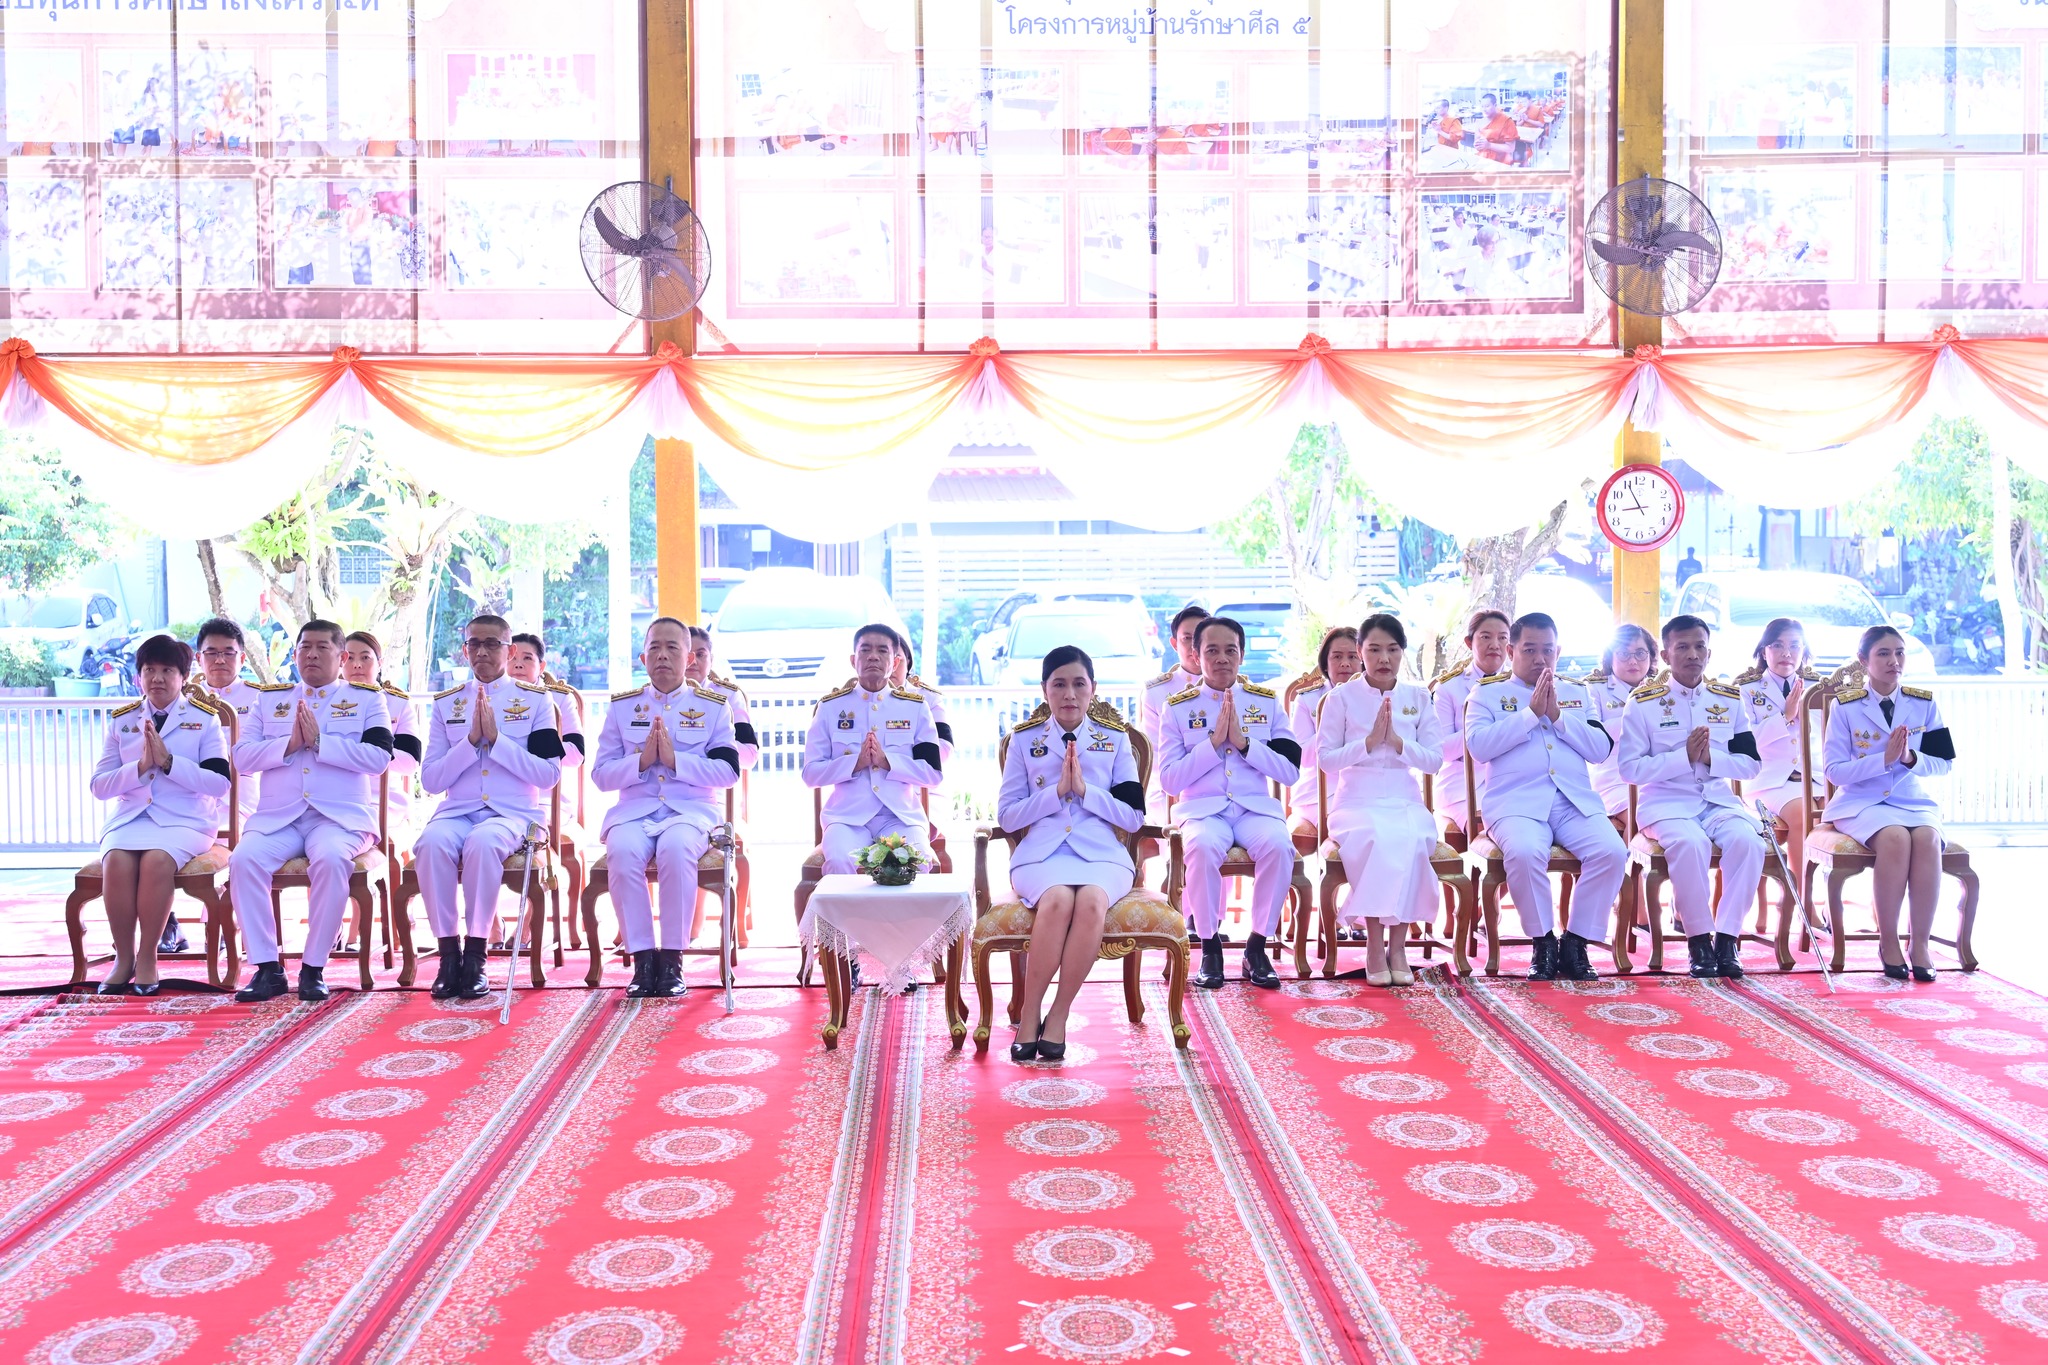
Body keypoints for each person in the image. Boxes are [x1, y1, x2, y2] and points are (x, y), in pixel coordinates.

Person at [228, 620, 394, 1002]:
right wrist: (287, 745)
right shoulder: (270, 700)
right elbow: (242, 758)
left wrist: (321, 742)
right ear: (295, 654)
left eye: (322, 647)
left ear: (342, 656)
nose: (312, 655)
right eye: (305, 647)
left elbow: (378, 758)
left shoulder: (367, 699)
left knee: (332, 860)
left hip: (339, 819)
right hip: (279, 818)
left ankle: (313, 967)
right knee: (243, 860)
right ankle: (267, 969)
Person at [999, 646, 1145, 1061]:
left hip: (1102, 854)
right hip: (1041, 855)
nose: (1069, 694)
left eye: (1079, 684)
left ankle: (1059, 1013)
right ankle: (1030, 1013)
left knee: (1092, 901)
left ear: (1093, 688)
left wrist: (1084, 791)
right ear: (1044, 690)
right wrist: (1055, 793)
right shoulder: (1023, 741)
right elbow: (1007, 817)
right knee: (1058, 900)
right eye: (1059, 684)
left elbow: (1133, 818)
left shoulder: (1114, 741)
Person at [1465, 612, 1626, 982]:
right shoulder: (1486, 694)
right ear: (1511, 651)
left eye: (1547, 650)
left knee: (1611, 851)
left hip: (1572, 802)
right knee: (1524, 852)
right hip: (1515, 804)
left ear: (1558, 652)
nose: (1540, 659)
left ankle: (1576, 942)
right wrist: (1529, 715)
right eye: (1530, 650)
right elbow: (1479, 747)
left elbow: (1599, 749)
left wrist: (1557, 716)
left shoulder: (1577, 693)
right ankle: (1543, 942)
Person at [415, 615, 566, 999]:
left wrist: (498, 741)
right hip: (457, 811)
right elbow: (431, 780)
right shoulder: (447, 704)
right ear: (464, 649)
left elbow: (548, 774)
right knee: (431, 843)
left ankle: (476, 955)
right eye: (474, 644)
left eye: (492, 644)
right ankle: (449, 955)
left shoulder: (536, 701)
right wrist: (469, 743)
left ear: (510, 650)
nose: (482, 651)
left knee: (483, 843)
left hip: (513, 814)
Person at [592, 618, 741, 997]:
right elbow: (601, 775)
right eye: (654, 647)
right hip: (634, 811)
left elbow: (728, 772)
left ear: (689, 658)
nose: (662, 655)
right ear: (643, 658)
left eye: (672, 647)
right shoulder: (623, 708)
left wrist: (676, 761)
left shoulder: (713, 707)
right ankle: (643, 960)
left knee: (676, 849)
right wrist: (641, 761)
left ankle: (672, 959)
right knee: (622, 852)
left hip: (691, 812)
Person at [1618, 616, 1768, 978]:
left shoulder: (1728, 700)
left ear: (1709, 653)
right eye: (1682, 647)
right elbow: (1630, 769)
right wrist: (1682, 757)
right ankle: (1699, 940)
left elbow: (1751, 764)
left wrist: (1710, 758)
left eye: (1699, 646)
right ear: (1666, 655)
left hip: (1717, 802)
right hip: (1666, 805)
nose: (1692, 654)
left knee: (1749, 842)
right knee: (1690, 843)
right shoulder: (1643, 703)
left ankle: (1728, 939)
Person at [1157, 616, 1302, 990]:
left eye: (1230, 650)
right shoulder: (1178, 708)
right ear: (1196, 655)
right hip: (1203, 811)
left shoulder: (1265, 703)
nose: (1222, 658)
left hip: (1254, 809)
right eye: (1212, 650)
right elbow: (1170, 779)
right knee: (1202, 846)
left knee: (1279, 845)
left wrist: (1244, 743)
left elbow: (1289, 772)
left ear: (1242, 654)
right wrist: (1211, 745)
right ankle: (1210, 947)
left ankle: (1257, 946)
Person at [90, 636, 231, 995]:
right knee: (116, 861)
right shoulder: (123, 721)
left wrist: (169, 763)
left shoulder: (204, 720)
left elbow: (219, 783)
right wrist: (139, 767)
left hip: (186, 819)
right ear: (138, 676)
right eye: (149, 670)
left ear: (183, 676)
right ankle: (124, 958)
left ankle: (148, 956)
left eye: (167, 670)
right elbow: (99, 786)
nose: (157, 678)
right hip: (131, 818)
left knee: (156, 861)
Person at [1315, 614, 1443, 986]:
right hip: (1356, 802)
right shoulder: (1340, 698)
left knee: (1413, 838)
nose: (1384, 658)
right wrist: (1368, 743)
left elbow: (1434, 760)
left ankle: (1398, 946)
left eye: (1392, 649)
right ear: (1360, 652)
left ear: (1403, 652)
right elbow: (1326, 760)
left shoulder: (1418, 697)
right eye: (1374, 650)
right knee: (1377, 837)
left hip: (1405, 799)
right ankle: (1375, 942)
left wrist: (1399, 744)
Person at [1823, 625, 1955, 981]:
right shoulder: (1845, 706)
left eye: (1899, 653)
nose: (1893, 661)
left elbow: (1944, 764)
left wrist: (1910, 758)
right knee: (1895, 837)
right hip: (1860, 802)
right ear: (1863, 660)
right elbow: (1834, 772)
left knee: (1927, 839)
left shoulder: (1923, 703)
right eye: (1883, 653)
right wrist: (1883, 760)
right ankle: (1889, 941)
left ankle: (1920, 944)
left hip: (1912, 800)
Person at [803, 625, 943, 875]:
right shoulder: (830, 708)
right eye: (865, 650)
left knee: (918, 861)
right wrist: (854, 763)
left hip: (900, 817)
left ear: (895, 662)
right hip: (847, 819)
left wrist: (887, 761)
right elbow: (811, 774)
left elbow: (932, 773)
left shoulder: (915, 708)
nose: (873, 657)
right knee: (838, 862)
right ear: (853, 660)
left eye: (882, 651)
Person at [169, 616, 262, 954]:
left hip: (242, 794)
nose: (220, 660)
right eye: (211, 653)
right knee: (155, 835)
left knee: (234, 844)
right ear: (198, 658)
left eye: (228, 652)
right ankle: (167, 923)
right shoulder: (179, 698)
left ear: (242, 658)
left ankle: (224, 923)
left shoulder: (261, 699)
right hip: (189, 793)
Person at [1736, 617, 1820, 889]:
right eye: (1778, 645)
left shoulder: (1818, 689)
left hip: (1816, 778)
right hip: (1769, 781)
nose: (1787, 653)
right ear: (1764, 651)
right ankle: (1802, 897)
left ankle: (1826, 897)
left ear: (1804, 651)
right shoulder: (1746, 692)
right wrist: (1785, 717)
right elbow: (1745, 743)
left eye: (1795, 645)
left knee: (1840, 811)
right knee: (1803, 814)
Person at [1434, 609, 1512, 838]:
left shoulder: (1519, 685)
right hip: (1463, 786)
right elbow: (1441, 749)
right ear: (1469, 642)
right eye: (1486, 637)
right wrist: (1484, 733)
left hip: (1512, 780)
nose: (1495, 645)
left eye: (1503, 638)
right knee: (1496, 831)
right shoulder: (1449, 688)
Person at [1284, 627, 1360, 846]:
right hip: (1318, 792)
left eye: (1352, 657)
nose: (1345, 663)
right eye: (1337, 657)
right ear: (1325, 664)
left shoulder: (1377, 696)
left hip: (1366, 787)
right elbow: (1303, 758)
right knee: (1355, 830)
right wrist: (1332, 724)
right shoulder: (1308, 699)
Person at [342, 631, 420, 839]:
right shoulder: (328, 701)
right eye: (349, 658)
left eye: (365, 657)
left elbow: (410, 762)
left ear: (380, 663)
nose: (357, 665)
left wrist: (374, 751)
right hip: (336, 795)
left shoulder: (397, 703)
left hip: (382, 798)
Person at [1583, 623, 1659, 821]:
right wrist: (1639, 720)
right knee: (1644, 817)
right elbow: (1594, 734)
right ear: (1611, 657)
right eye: (1624, 654)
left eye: (1640, 653)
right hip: (1614, 779)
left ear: (1651, 656)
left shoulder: (1662, 689)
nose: (1633, 661)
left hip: (1657, 775)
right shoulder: (1594, 689)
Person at [510, 631, 588, 772]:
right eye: (512, 658)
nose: (518, 665)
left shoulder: (559, 698)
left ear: (541, 667)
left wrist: (528, 744)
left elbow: (576, 754)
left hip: (542, 780)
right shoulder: (487, 695)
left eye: (527, 658)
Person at [683, 626, 758, 770]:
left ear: (711, 660)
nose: (693, 661)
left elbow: (749, 757)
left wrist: (707, 737)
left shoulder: (728, 696)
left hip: (715, 778)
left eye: (700, 655)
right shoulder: (659, 694)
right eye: (687, 655)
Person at [889, 631, 953, 763]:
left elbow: (945, 747)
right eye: (884, 660)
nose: (891, 667)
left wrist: (891, 762)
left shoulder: (928, 698)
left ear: (908, 662)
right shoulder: (853, 698)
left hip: (914, 775)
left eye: (897, 660)